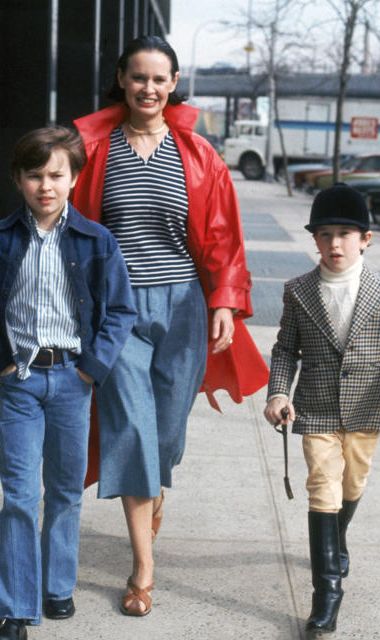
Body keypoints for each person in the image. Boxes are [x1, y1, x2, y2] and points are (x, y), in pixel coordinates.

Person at [71, 35, 269, 617]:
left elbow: (223, 238)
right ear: (122, 80)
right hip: (117, 310)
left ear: (174, 83)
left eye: (160, 79)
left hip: (184, 307)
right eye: (139, 78)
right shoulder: (94, 148)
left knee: (166, 437)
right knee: (129, 427)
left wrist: (226, 304)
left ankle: (152, 492)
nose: (149, 89)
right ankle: (142, 568)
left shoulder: (200, 155)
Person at [0, 126, 136, 640]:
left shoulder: (96, 241)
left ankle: (58, 585)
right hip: (20, 381)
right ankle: (15, 612)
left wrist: (91, 369)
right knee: (19, 495)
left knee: (63, 490)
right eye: (34, 175)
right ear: (18, 180)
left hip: (72, 381)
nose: (45, 185)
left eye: (56, 174)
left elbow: (120, 310)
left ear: (74, 179)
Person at [263, 183, 380, 635]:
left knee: (352, 483)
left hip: (368, 408)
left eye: (345, 233)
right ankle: (327, 594)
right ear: (315, 241)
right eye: (325, 234)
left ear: (366, 239)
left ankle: (335, 540)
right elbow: (285, 350)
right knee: (322, 486)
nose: (334, 243)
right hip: (316, 409)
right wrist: (277, 393)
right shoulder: (298, 290)